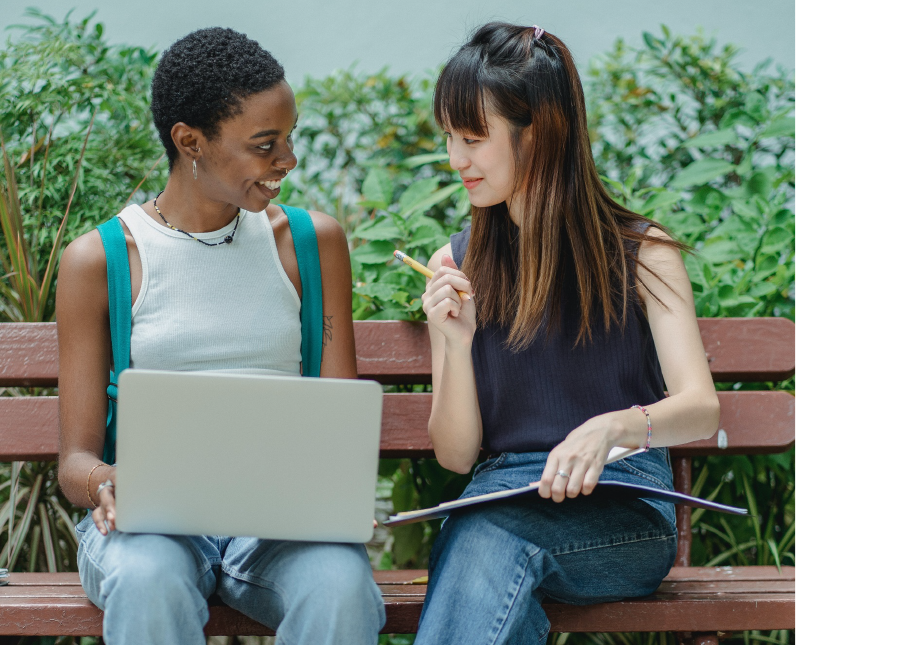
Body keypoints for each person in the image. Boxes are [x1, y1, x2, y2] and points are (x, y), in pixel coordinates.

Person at [55, 27, 385, 645]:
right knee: (149, 579)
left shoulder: (312, 245)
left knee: (340, 587)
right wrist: (106, 483)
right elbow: (75, 462)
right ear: (190, 142)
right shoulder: (101, 260)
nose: (287, 159)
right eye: (265, 144)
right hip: (151, 532)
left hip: (278, 532)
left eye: (290, 137)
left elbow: (338, 419)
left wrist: (336, 493)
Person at [415, 22, 721, 644]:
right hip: (498, 501)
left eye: (474, 138)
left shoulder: (643, 254)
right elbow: (454, 455)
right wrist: (453, 340)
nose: (455, 160)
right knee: (488, 545)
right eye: (450, 136)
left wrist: (614, 427)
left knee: (483, 543)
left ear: (542, 133)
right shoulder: (457, 264)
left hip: (622, 512)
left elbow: (700, 408)